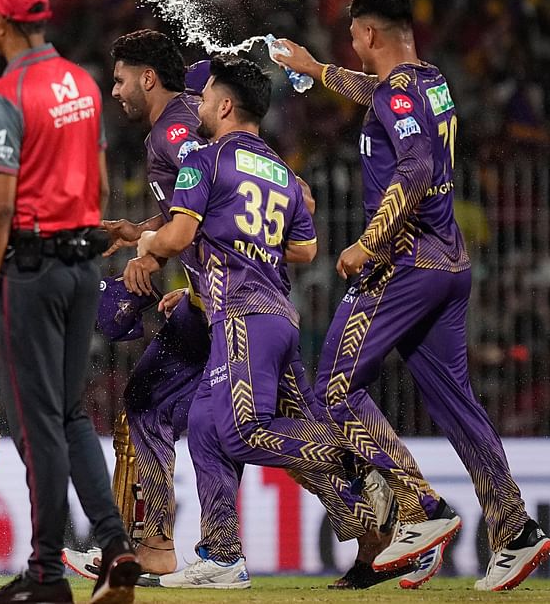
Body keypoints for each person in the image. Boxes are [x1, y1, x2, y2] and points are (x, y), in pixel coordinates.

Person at [271, 0, 550, 591]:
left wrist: (367, 241)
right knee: (458, 405)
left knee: (334, 389)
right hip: (449, 267)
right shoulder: (429, 82)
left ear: (369, 34)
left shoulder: (399, 93)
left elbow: (418, 165)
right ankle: (516, 529)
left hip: (403, 265)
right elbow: (378, 93)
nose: (351, 46)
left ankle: (421, 513)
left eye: (351, 38)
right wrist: (315, 68)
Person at [124, 55, 400, 586]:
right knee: (205, 425)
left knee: (239, 432)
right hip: (278, 315)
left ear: (225, 105)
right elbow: (304, 247)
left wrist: (148, 243)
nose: (198, 106)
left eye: (204, 99)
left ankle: (352, 461)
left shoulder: (204, 158)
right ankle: (224, 556)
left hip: (241, 316)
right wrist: (246, 240)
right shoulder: (284, 173)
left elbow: (177, 238)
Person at [0, 0, 139, 604]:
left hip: (31, 272)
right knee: (68, 417)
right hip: (82, 265)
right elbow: (98, 180)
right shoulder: (83, 83)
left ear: (3, 23)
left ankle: (46, 576)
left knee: (37, 425)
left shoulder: (4, 94)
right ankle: (117, 548)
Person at [64, 32, 210, 583]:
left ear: (148, 78)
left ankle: (385, 507)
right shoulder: (182, 121)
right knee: (145, 404)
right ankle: (153, 547)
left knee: (256, 426)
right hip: (210, 297)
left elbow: (212, 194)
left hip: (233, 300)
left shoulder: (175, 129)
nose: (115, 89)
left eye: (121, 77)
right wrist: (140, 230)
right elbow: (188, 209)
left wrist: (150, 254)